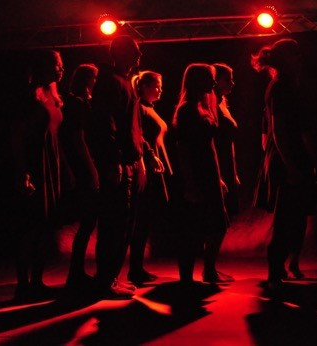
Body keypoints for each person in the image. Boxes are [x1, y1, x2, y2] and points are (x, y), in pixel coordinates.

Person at [87, 35, 164, 299]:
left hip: (124, 163)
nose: (139, 56)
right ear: (121, 53)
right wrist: (113, 161)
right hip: (117, 164)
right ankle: (106, 281)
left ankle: (110, 278)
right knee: (114, 224)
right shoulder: (112, 83)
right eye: (135, 51)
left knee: (121, 225)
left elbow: (130, 129)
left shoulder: (121, 82)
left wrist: (139, 157)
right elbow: (105, 125)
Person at [251, 38, 317, 290]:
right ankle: (275, 272)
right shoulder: (280, 87)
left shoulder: (285, 85)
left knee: (293, 215)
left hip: (288, 156)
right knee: (285, 217)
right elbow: (278, 130)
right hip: (286, 158)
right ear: (287, 58)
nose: (300, 58)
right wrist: (290, 164)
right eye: (296, 54)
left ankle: (279, 269)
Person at [10, 49, 65, 302]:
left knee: (44, 226)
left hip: (49, 164)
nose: (61, 69)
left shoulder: (54, 96)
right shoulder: (30, 96)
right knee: (30, 226)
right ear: (44, 67)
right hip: (35, 165)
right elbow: (18, 137)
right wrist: (23, 172)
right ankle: (23, 285)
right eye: (56, 65)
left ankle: (37, 282)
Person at [172, 63, 233, 284]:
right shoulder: (187, 109)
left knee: (216, 224)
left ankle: (208, 270)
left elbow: (209, 145)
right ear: (197, 80)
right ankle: (187, 278)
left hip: (208, 172)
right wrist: (190, 183)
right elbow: (183, 148)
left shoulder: (203, 106)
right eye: (209, 77)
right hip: (198, 174)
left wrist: (217, 177)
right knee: (194, 227)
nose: (213, 82)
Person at [127, 70, 174, 285]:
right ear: (144, 87)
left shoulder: (149, 108)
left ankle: (137, 268)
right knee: (141, 218)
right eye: (157, 85)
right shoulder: (138, 107)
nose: (160, 89)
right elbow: (138, 136)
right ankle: (134, 270)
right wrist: (149, 158)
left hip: (154, 167)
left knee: (145, 219)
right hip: (146, 168)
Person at [60, 63, 100, 293]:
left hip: (83, 165)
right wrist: (91, 168)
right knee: (87, 221)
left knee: (88, 222)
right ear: (87, 80)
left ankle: (77, 272)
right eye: (95, 78)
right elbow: (78, 138)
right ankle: (75, 273)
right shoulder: (77, 104)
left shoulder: (79, 102)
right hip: (83, 167)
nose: (97, 82)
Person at [212, 62, 241, 219]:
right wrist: (218, 176)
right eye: (228, 79)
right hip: (218, 164)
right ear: (216, 81)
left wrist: (233, 172)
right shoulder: (210, 105)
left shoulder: (222, 103)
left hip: (227, 163)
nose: (232, 83)